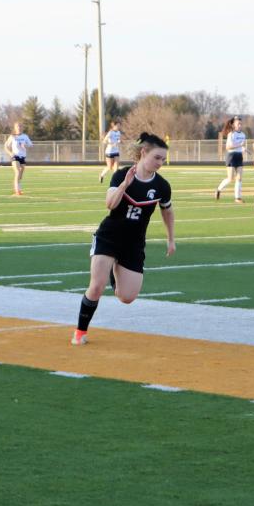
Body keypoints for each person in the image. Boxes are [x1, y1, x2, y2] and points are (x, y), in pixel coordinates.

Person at [72, 132, 175, 346]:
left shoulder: (162, 186)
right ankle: (80, 331)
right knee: (97, 286)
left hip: (134, 243)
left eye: (163, 159)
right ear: (143, 153)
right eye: (157, 157)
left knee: (127, 297)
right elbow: (110, 204)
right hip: (109, 237)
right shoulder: (121, 175)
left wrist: (170, 238)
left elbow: (167, 211)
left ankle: (114, 269)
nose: (161, 163)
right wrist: (124, 185)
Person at [215, 116, 246, 203]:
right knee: (230, 178)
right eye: (238, 124)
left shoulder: (243, 135)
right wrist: (240, 145)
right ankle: (218, 189)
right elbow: (228, 147)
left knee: (239, 178)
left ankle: (237, 197)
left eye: (241, 124)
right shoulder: (231, 134)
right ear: (234, 125)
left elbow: (241, 146)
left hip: (239, 156)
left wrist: (243, 149)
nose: (240, 125)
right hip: (231, 156)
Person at [4, 122, 32, 195]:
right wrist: (10, 153)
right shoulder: (12, 136)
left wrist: (25, 145)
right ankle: (17, 190)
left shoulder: (25, 136)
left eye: (20, 126)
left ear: (22, 128)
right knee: (17, 172)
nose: (19, 128)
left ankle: (18, 187)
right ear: (15, 128)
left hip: (22, 157)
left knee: (21, 174)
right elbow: (6, 146)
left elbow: (30, 145)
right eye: (17, 126)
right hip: (15, 156)